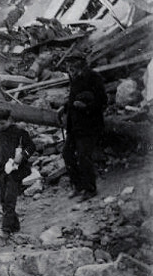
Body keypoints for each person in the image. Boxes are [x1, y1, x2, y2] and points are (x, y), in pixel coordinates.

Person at [61, 50, 107, 201]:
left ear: (80, 63)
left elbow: (103, 102)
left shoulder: (94, 77)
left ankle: (90, 189)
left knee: (83, 157)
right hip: (74, 125)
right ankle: (78, 185)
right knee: (67, 154)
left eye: (71, 64)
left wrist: (85, 107)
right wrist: (64, 107)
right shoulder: (74, 78)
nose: (68, 67)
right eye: (67, 64)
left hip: (89, 125)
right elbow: (73, 99)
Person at [0, 104, 37, 236]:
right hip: (3, 171)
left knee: (10, 200)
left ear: (9, 119)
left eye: (2, 123)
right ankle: (15, 226)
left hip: (16, 172)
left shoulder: (19, 132)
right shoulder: (0, 134)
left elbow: (31, 146)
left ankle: (6, 229)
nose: (1, 126)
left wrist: (22, 155)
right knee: (3, 200)